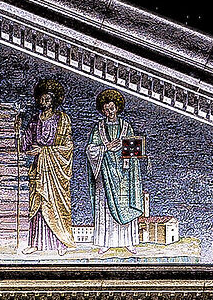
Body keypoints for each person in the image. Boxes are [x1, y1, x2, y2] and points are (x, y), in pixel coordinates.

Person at [85, 88, 146, 251]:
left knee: (125, 204)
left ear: (117, 108)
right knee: (105, 207)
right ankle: (106, 242)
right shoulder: (98, 128)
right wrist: (105, 147)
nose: (109, 112)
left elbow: (135, 151)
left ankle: (129, 242)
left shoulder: (126, 127)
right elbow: (90, 149)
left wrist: (124, 146)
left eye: (111, 108)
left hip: (124, 175)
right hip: (105, 174)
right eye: (106, 109)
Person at [19, 78, 74, 251]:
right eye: (42, 99)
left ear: (54, 100)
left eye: (48, 99)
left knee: (55, 204)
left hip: (55, 170)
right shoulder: (35, 119)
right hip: (38, 168)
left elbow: (68, 146)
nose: (44, 102)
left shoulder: (62, 119)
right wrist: (18, 132)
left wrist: (43, 151)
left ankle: (60, 242)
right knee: (38, 203)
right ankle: (36, 244)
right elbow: (25, 143)